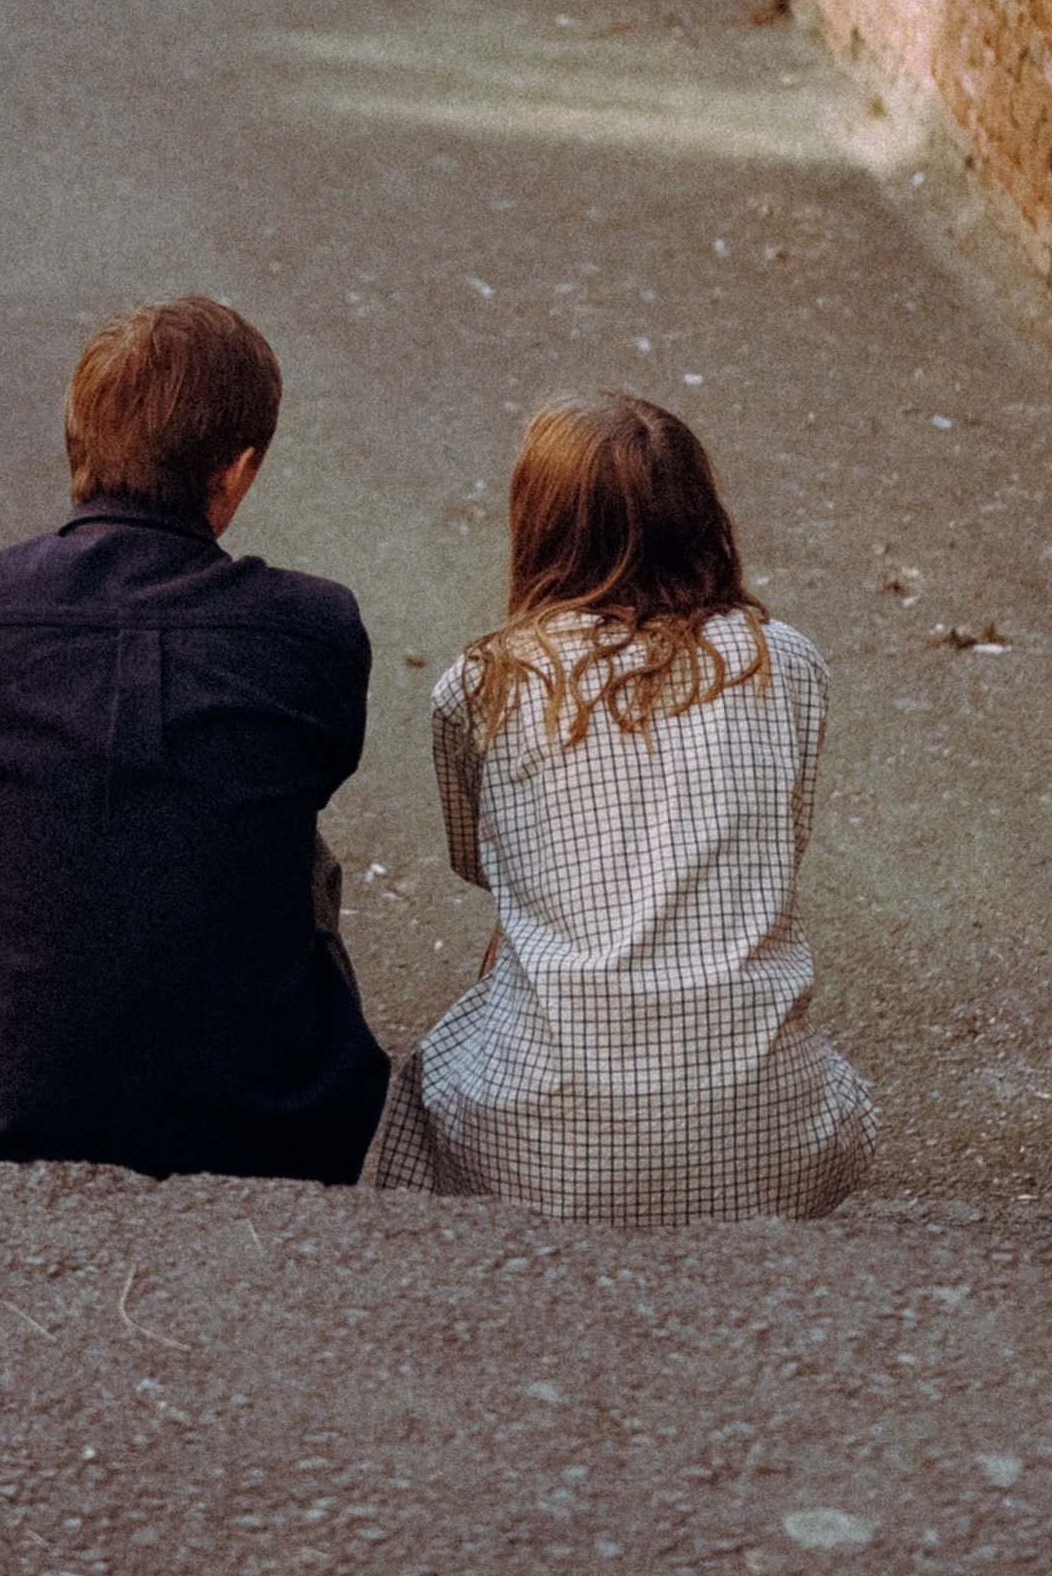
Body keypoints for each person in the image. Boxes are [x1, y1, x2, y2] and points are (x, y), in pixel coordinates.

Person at [0, 295, 389, 1182]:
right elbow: (324, 768)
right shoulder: (315, 627)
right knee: (279, 815)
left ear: (78, 442)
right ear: (233, 474)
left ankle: (0, 1047)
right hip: (271, 1123)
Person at [370, 395, 873, 1222]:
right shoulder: (784, 662)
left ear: (539, 527)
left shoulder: (487, 680)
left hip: (544, 1159)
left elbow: (480, 864)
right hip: (771, 1143)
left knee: (427, 1101)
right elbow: (784, 840)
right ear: (703, 515)